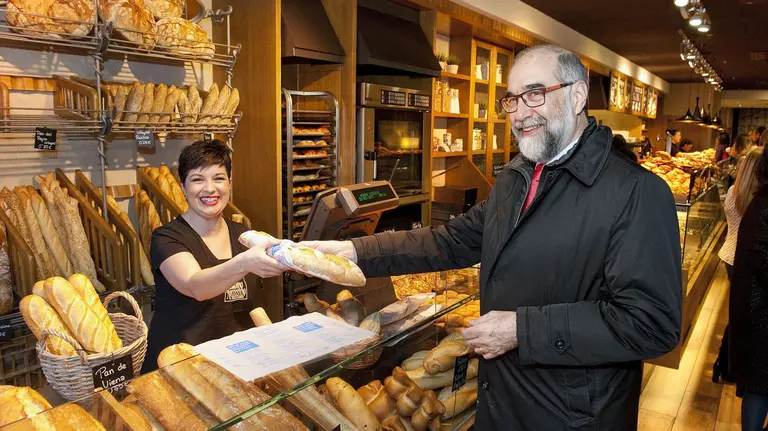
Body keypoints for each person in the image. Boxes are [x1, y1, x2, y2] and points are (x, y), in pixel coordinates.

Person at [300, 44, 681, 430]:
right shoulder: (517, 178)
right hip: (501, 404)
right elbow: (446, 242)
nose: (520, 112)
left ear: (577, 95)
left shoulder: (636, 192)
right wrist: (352, 250)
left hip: (572, 418)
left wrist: (520, 330)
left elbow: (650, 324)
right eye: (512, 99)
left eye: (535, 94)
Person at [142, 140, 287, 372]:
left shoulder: (244, 236)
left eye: (218, 178)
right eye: (197, 179)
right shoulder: (167, 238)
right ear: (183, 187)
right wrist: (245, 262)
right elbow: (195, 286)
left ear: (230, 183)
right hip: (180, 368)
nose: (209, 189)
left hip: (236, 365)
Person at [713, 146, 763, 383]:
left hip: (729, 256)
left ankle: (725, 364)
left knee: (737, 314)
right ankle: (727, 365)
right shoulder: (756, 199)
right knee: (742, 317)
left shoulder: (735, 191)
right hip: (744, 261)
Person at [730, 144, 768, 431]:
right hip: (759, 316)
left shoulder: (756, 199)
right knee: (758, 386)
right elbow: (761, 257)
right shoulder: (763, 204)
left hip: (755, 312)